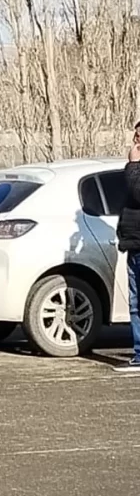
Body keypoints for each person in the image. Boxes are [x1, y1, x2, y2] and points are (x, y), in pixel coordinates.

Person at [115, 120, 140, 371]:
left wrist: (133, 166)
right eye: (136, 135)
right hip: (133, 243)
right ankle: (138, 352)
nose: (137, 141)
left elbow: (137, 193)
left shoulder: (135, 168)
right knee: (134, 302)